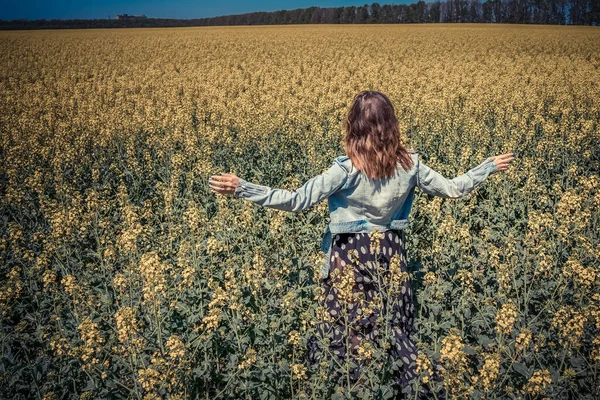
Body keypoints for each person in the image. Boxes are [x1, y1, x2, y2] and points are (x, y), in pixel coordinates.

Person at [209, 90, 515, 398]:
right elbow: (452, 189)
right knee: (392, 325)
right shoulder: (410, 165)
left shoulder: (345, 170)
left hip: (350, 258)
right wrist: (486, 167)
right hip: (390, 254)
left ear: (354, 126)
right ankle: (407, 387)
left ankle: (349, 388)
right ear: (391, 124)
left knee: (347, 328)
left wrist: (242, 188)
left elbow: (296, 200)